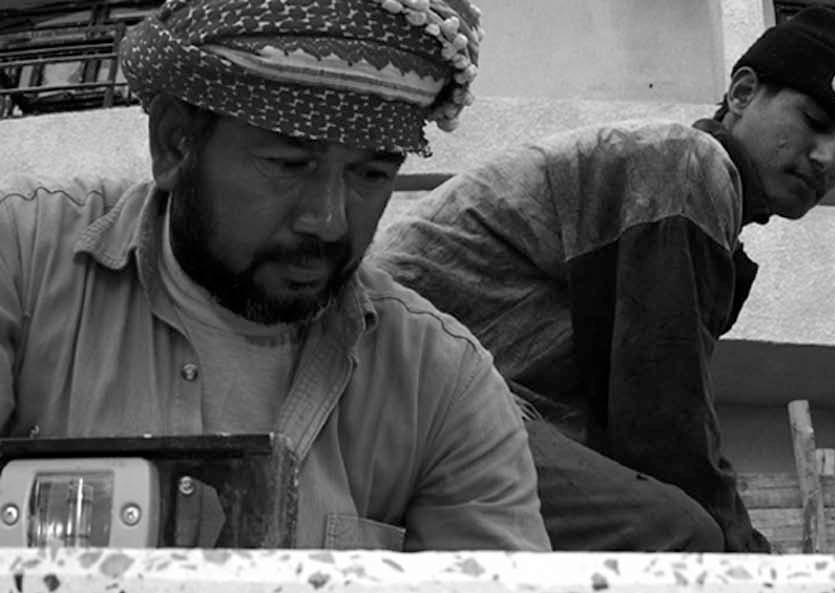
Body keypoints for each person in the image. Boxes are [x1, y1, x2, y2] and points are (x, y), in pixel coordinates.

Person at [0, 0, 549, 554]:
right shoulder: (21, 257)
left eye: (371, 174)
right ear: (174, 144)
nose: (329, 221)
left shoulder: (444, 383)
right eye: (290, 165)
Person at [373, 4, 835, 554]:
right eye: (816, 122)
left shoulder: (689, 192)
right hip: (400, 389)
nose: (829, 159)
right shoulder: (687, 165)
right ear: (742, 93)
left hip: (442, 403)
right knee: (683, 535)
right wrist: (768, 574)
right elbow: (663, 430)